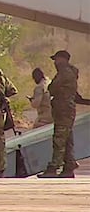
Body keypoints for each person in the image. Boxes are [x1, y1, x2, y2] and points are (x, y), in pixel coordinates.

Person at [38, 50, 79, 178]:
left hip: (63, 109)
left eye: (57, 59)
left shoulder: (65, 73)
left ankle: (54, 167)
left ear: (63, 59)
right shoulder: (70, 72)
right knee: (67, 139)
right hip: (65, 109)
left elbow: (52, 88)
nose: (55, 63)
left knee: (59, 139)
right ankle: (69, 165)